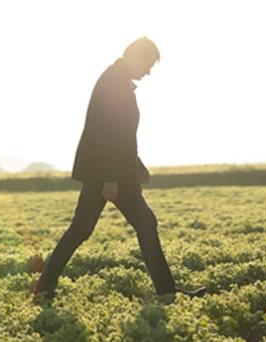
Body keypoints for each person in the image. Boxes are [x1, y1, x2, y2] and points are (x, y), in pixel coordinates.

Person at [34, 36, 206, 301]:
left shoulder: (118, 80)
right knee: (143, 223)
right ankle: (166, 292)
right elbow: (105, 134)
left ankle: (44, 285)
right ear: (135, 55)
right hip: (108, 174)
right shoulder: (112, 82)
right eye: (147, 65)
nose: (148, 72)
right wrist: (111, 178)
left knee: (83, 228)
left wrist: (137, 165)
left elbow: (123, 135)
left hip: (111, 172)